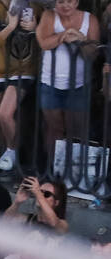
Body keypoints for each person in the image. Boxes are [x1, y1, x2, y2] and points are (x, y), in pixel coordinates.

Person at [0, 0, 40, 171]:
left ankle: (15, 157)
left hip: (24, 70)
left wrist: (36, 28)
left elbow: (47, 35)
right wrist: (11, 26)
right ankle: (7, 164)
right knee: (1, 123)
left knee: (5, 114)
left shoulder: (35, 7)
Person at [37, 0, 100, 155]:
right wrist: (63, 36)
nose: (65, 5)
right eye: (61, 1)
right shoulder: (49, 15)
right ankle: (53, 170)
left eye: (70, 1)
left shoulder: (90, 19)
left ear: (77, 2)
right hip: (50, 83)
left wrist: (82, 40)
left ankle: (73, 173)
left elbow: (93, 54)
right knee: (54, 128)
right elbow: (43, 43)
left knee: (76, 130)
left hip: (78, 85)